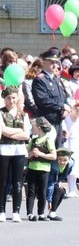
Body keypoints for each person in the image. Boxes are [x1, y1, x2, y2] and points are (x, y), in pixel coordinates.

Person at [0, 87, 31, 223]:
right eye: (8, 98)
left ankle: (16, 211)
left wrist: (13, 132)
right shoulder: (1, 113)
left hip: (19, 150)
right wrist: (18, 130)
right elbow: (3, 131)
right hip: (4, 149)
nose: (11, 101)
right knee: (3, 181)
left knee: (18, 181)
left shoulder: (24, 115)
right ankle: (1, 210)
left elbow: (26, 134)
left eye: (13, 98)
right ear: (4, 99)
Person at [31, 48, 70, 148]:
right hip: (46, 122)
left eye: (57, 62)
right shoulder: (40, 80)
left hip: (58, 120)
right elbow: (43, 100)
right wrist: (62, 106)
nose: (55, 65)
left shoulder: (55, 79)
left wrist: (66, 109)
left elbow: (63, 97)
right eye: (52, 62)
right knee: (46, 151)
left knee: (58, 151)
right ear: (44, 62)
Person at [26, 117, 57, 221]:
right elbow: (26, 154)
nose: (32, 128)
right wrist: (31, 153)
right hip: (32, 168)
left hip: (44, 169)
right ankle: (29, 213)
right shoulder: (33, 140)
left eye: (34, 126)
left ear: (39, 128)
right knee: (31, 191)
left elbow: (53, 156)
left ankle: (41, 213)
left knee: (42, 192)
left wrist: (40, 154)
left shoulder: (48, 141)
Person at [48, 148, 76, 221]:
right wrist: (49, 199)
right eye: (60, 159)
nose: (62, 162)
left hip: (56, 181)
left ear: (69, 159)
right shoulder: (53, 165)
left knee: (62, 191)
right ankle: (51, 213)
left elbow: (64, 175)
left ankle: (52, 212)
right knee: (58, 190)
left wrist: (59, 181)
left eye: (65, 160)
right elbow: (50, 180)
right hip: (48, 181)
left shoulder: (70, 164)